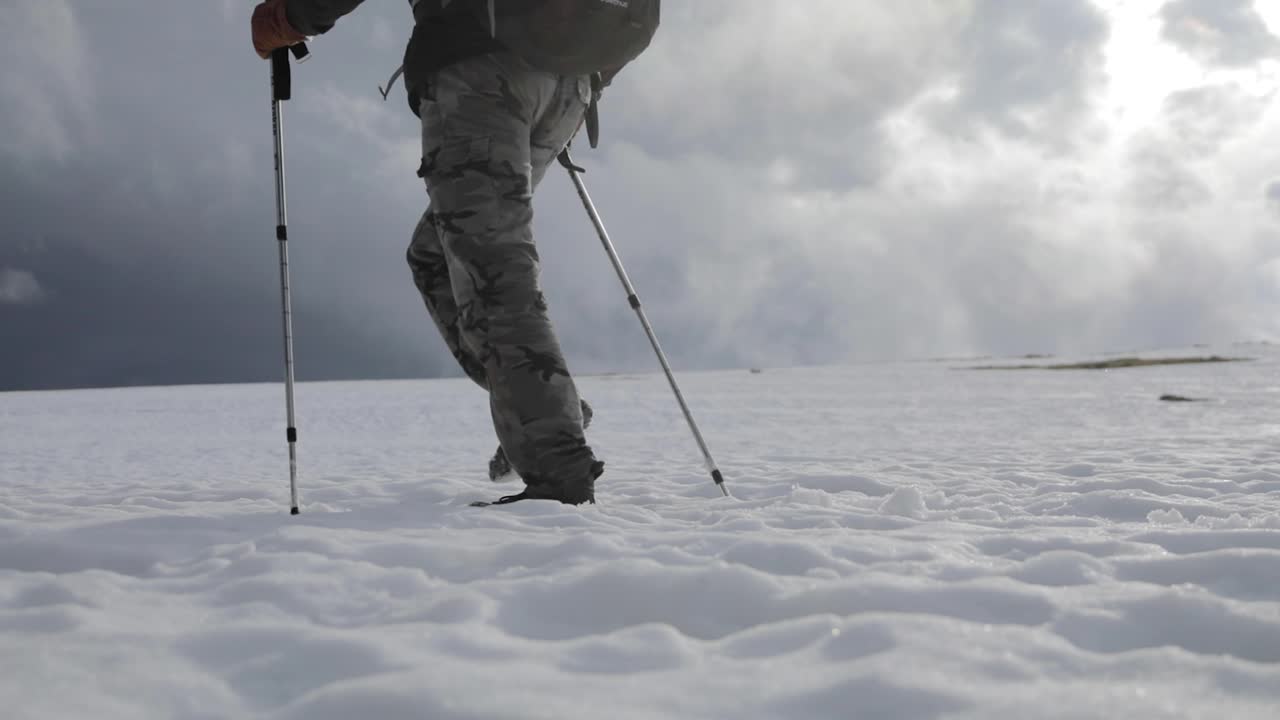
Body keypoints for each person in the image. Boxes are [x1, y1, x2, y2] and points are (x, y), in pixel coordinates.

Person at [252, 0, 604, 505]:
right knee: (438, 252)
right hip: (570, 80)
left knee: (493, 270)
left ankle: (558, 474)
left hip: (486, 68)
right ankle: (543, 404)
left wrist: (290, 19)